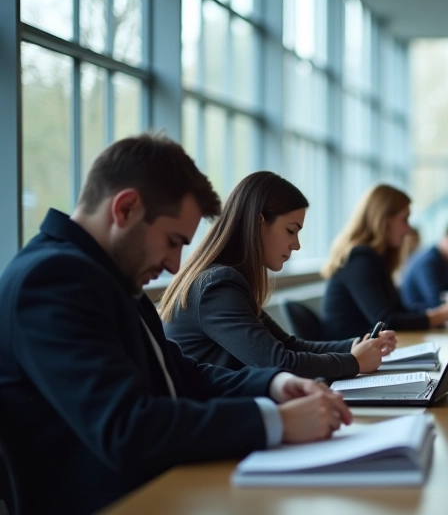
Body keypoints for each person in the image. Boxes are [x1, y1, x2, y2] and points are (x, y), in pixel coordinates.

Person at [0, 135, 351, 514]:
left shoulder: (103, 274)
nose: (174, 264)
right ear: (126, 208)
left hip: (162, 485)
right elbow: (128, 429)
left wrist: (274, 383)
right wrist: (275, 422)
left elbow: (179, 372)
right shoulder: (53, 279)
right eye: (172, 240)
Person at [162, 171, 396, 379]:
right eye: (291, 230)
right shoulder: (218, 286)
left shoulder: (224, 280)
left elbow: (287, 345)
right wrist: (354, 362)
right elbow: (276, 362)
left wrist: (356, 346)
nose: (296, 245)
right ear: (259, 222)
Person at [320, 185, 448, 340]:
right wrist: (439, 316)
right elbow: (385, 321)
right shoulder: (358, 261)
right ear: (384, 221)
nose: (409, 231)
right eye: (404, 220)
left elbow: (397, 311)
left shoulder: (375, 259)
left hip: (366, 350)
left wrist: (437, 312)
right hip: (350, 356)